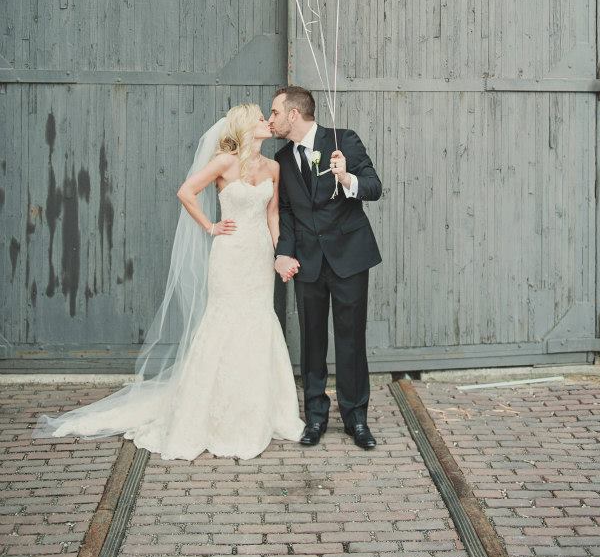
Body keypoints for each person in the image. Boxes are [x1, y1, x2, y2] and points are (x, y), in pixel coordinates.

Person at [32, 104, 305, 461]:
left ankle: (259, 410)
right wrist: (210, 226)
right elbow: (186, 192)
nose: (266, 121)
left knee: (258, 321)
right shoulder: (224, 162)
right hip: (229, 254)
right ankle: (210, 412)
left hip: (257, 257)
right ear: (243, 126)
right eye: (259, 117)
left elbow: (273, 216)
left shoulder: (273, 167)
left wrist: (277, 254)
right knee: (224, 322)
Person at [268, 86, 383, 449]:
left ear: (293, 114)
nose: (270, 119)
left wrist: (347, 178)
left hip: (349, 257)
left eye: (274, 112)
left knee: (351, 341)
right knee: (312, 342)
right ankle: (315, 418)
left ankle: (356, 419)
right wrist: (284, 252)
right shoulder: (283, 159)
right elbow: (285, 211)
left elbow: (374, 187)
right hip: (308, 262)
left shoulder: (344, 141)